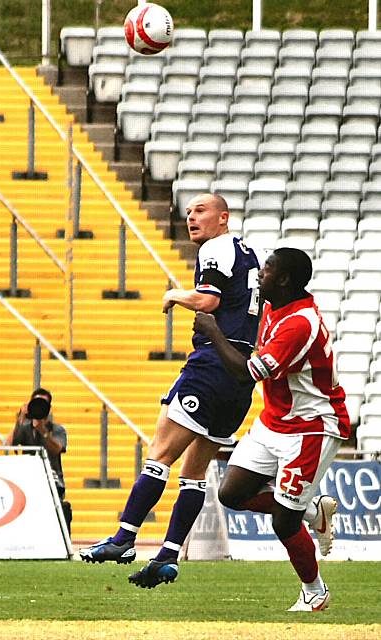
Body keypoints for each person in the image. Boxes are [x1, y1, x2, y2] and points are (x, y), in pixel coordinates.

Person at [80, 195, 334, 589]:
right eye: (189, 212)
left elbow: (209, 300)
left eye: (201, 211)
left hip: (212, 365)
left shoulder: (217, 248)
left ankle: (124, 538)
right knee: (195, 473)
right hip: (240, 376)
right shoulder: (254, 255)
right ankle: (168, 555)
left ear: (223, 217)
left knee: (159, 456)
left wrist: (174, 295)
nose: (191, 217)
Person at [193, 247, 351, 612]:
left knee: (284, 521)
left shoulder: (300, 323)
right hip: (275, 420)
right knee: (231, 493)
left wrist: (213, 331)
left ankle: (315, 591)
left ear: (283, 280)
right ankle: (315, 513)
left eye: (266, 270)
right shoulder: (272, 304)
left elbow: (245, 372)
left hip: (312, 427)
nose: (260, 274)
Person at [6, 387, 72, 536]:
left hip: (53, 479)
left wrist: (43, 432)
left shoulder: (57, 430)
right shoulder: (25, 428)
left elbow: (57, 449)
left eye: (44, 404)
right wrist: (20, 419)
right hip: (29, 478)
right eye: (36, 403)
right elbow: (9, 444)